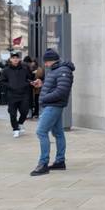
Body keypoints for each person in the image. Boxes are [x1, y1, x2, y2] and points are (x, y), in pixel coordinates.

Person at [30, 48, 74, 176]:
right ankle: (60, 161)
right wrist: (42, 84)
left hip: (53, 106)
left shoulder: (63, 71)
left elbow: (61, 91)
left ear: (50, 61)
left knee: (41, 131)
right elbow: (56, 87)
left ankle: (43, 164)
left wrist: (43, 98)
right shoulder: (56, 70)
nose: (45, 64)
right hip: (53, 105)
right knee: (58, 133)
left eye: (46, 62)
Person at [0, 52, 32, 138]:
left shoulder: (25, 69)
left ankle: (20, 123)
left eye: (17, 57)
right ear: (10, 59)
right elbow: (1, 81)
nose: (15, 59)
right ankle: (15, 129)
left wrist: (27, 84)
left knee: (25, 112)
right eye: (13, 58)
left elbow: (30, 78)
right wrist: (10, 85)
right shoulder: (6, 70)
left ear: (19, 59)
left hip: (24, 94)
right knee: (12, 114)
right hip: (12, 95)